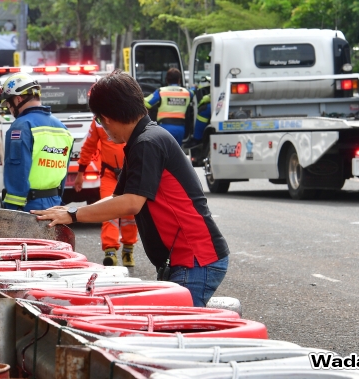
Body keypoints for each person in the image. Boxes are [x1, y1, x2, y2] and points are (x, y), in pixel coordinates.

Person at [33, 71, 229, 307]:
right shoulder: (141, 140)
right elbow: (116, 199)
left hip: (196, 259)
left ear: (105, 117)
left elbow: (130, 203)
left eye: (98, 120)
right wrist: (70, 210)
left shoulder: (147, 143)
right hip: (184, 259)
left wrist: (73, 215)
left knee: (175, 333)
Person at [0, 72, 73, 212]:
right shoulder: (63, 129)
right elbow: (63, 172)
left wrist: (12, 209)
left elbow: (17, 172)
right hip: (55, 205)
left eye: (9, 104)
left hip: (28, 207)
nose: (10, 109)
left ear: (18, 99)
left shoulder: (21, 126)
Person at [75, 118, 137, 267]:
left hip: (131, 173)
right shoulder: (98, 122)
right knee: (109, 211)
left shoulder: (131, 115)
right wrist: (80, 173)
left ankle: (128, 249)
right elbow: (89, 146)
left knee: (131, 214)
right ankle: (110, 251)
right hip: (109, 174)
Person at [144, 67, 193, 144]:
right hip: (180, 129)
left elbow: (147, 103)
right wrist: (194, 87)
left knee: (164, 153)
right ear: (179, 80)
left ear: (166, 80)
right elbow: (193, 92)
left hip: (164, 128)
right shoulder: (187, 93)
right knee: (176, 153)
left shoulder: (161, 92)